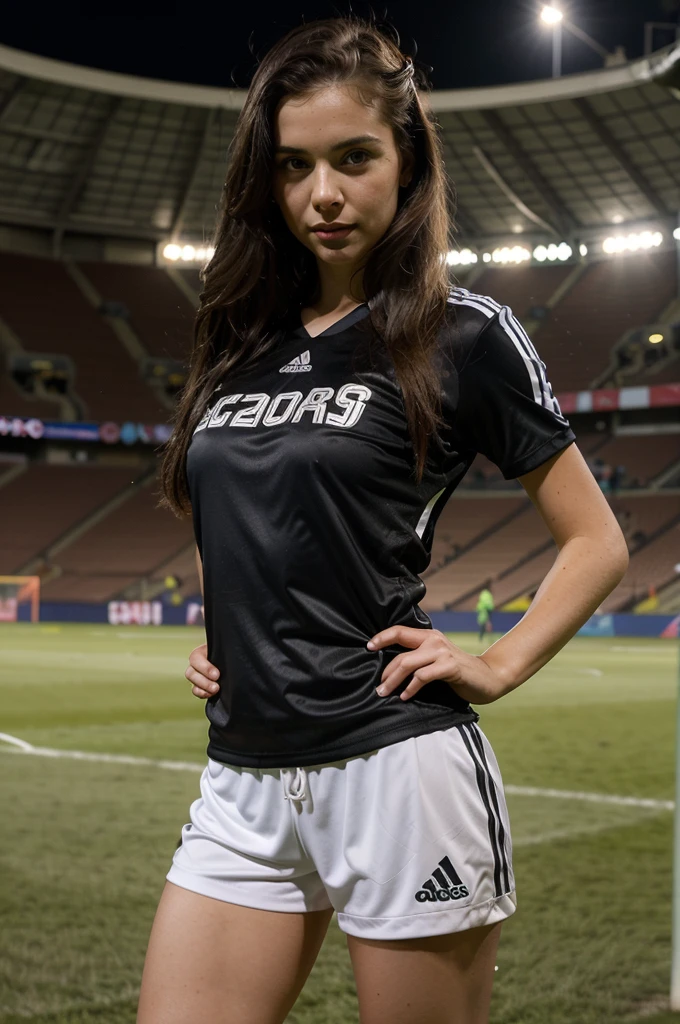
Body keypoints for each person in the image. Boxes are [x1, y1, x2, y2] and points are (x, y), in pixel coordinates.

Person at [137, 16, 630, 1024]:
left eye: (353, 158)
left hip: (395, 766)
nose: (322, 193)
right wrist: (231, 635)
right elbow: (260, 515)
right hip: (242, 773)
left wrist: (493, 663)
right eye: (294, 166)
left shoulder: (464, 333)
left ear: (404, 160)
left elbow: (597, 541)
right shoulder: (240, 343)